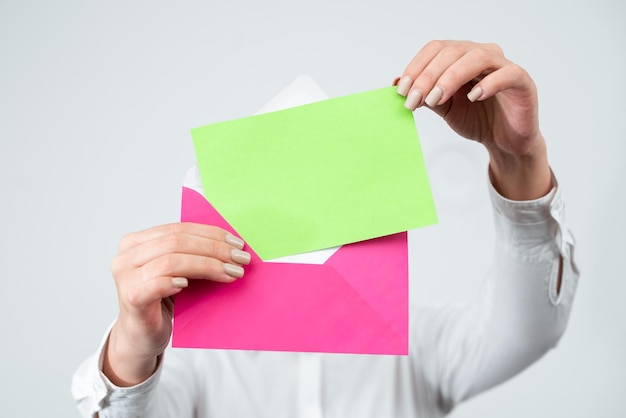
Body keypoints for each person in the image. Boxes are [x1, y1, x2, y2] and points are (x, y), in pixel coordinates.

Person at [71, 40, 579, 417]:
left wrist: (519, 160)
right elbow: (123, 410)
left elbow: (527, 331)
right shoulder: (196, 361)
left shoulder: (417, 345)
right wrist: (132, 348)